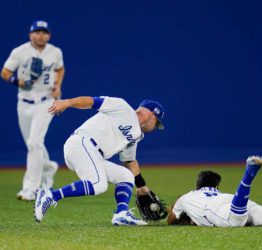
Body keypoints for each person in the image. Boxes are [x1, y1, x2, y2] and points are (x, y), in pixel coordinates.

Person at [34, 96, 165, 226]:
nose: (155, 128)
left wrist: (141, 187)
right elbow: (92, 101)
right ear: (152, 115)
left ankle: (121, 214)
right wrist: (67, 103)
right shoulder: (122, 107)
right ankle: (51, 195)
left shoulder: (136, 135)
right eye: (156, 123)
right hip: (81, 143)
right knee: (98, 184)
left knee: (125, 176)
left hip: (93, 154)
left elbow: (130, 161)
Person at [1, 20, 65, 201]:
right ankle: (49, 167)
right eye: (37, 32)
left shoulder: (55, 52)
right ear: (30, 35)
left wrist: (58, 85)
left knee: (34, 142)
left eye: (44, 32)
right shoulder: (20, 52)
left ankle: (31, 188)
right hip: (24, 103)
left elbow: (60, 69)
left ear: (49, 35)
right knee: (32, 144)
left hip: (46, 102)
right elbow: (5, 72)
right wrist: (18, 81)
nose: (40, 35)